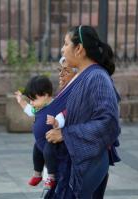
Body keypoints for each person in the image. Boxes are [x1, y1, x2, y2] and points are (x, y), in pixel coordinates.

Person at [45, 25, 121, 199]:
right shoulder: (83, 74)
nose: (62, 49)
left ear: (79, 49)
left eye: (65, 44)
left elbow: (108, 122)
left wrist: (65, 134)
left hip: (88, 163)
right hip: (76, 160)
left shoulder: (97, 77)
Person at [15, 76, 59, 189]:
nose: (31, 102)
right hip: (40, 142)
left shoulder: (56, 106)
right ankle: (37, 173)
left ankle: (51, 176)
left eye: (33, 99)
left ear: (45, 95)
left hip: (51, 141)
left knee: (49, 154)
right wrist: (21, 101)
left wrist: (55, 122)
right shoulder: (38, 107)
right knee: (36, 153)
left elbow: (63, 119)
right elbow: (29, 110)